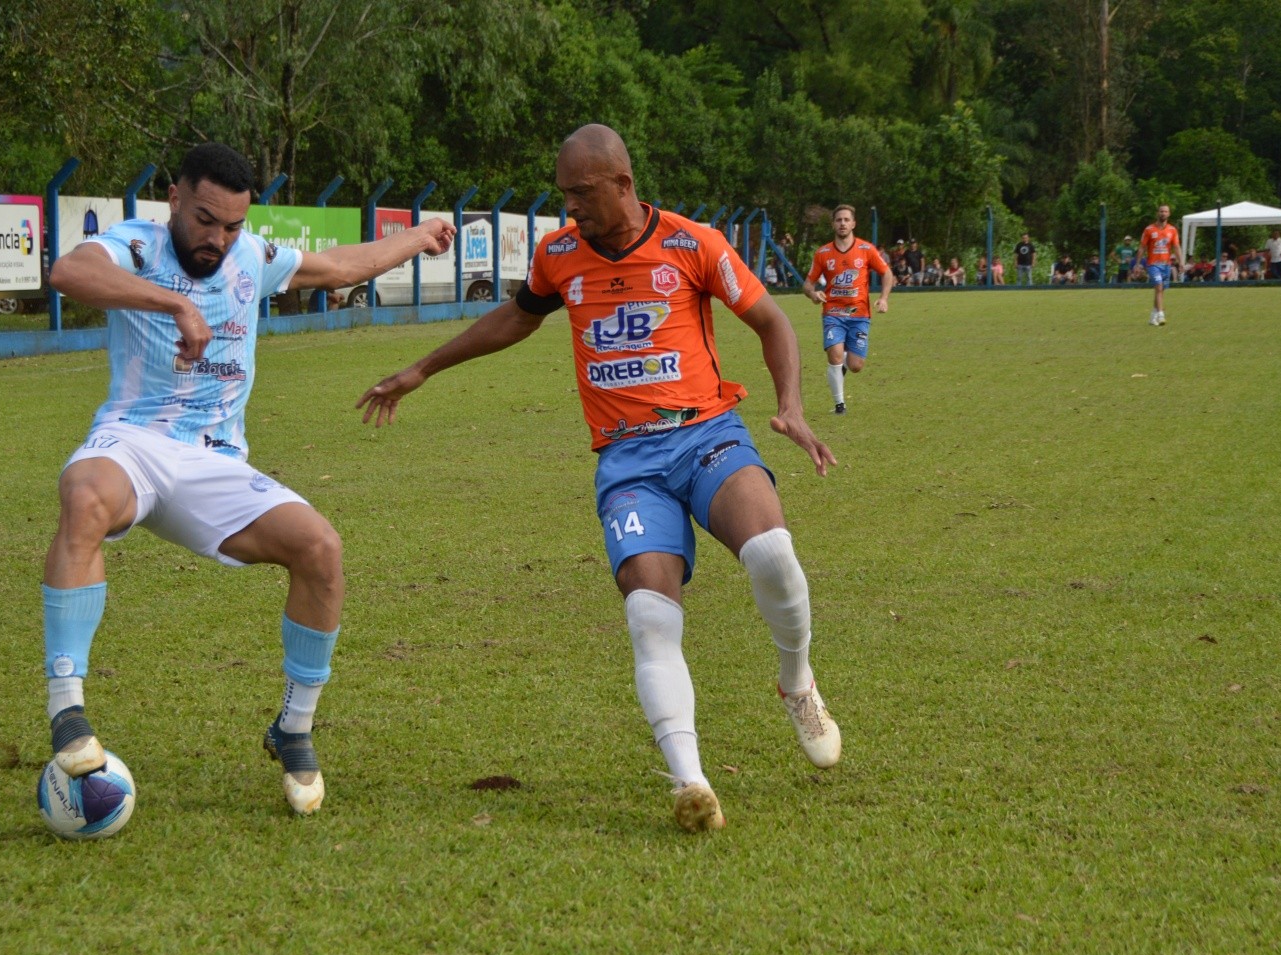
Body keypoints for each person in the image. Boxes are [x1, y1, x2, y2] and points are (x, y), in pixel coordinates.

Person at [357, 125, 841, 833]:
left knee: (772, 554)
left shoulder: (691, 244)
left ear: (623, 184)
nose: (570, 211)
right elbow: (514, 320)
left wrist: (792, 406)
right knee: (649, 613)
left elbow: (771, 322)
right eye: (564, 197)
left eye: (582, 195)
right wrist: (422, 368)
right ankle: (690, 781)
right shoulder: (559, 257)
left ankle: (796, 681)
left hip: (705, 433)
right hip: (627, 460)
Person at [42, 142, 455, 816]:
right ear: (174, 199)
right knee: (84, 495)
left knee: (320, 548)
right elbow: (70, 273)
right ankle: (68, 710)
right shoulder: (137, 248)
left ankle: (293, 728)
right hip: (134, 443)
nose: (218, 239)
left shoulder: (251, 260)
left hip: (214, 462)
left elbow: (343, 265)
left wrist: (415, 235)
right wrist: (173, 305)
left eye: (232, 226)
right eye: (205, 221)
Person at [803, 204, 893, 414]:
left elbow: (887, 273)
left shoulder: (866, 249)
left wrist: (884, 298)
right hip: (833, 314)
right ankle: (839, 405)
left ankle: (844, 364)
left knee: (856, 365)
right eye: (838, 220)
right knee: (834, 355)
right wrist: (813, 294)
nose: (842, 223)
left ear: (853, 223)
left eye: (846, 220)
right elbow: (808, 284)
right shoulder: (823, 253)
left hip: (859, 315)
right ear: (833, 224)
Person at [1140, 204, 1181, 326]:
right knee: (1158, 287)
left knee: (1160, 290)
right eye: (1161, 211)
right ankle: (1161, 314)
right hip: (1153, 264)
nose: (1163, 213)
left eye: (1165, 211)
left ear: (1169, 214)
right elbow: (1142, 247)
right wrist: (1137, 263)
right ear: (1157, 213)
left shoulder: (1172, 230)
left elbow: (1176, 247)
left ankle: (1153, 316)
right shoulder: (1149, 230)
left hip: (1166, 265)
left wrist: (1181, 262)